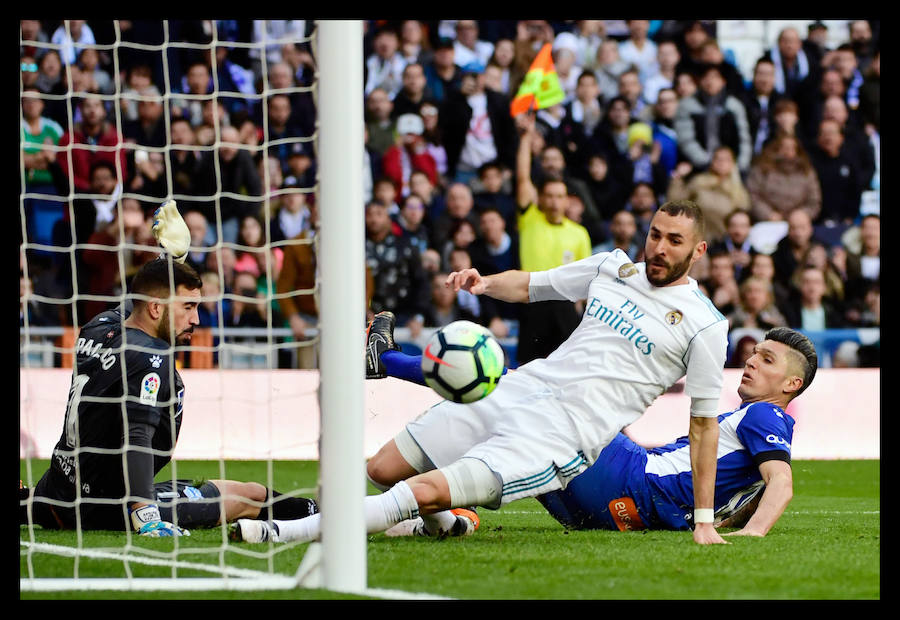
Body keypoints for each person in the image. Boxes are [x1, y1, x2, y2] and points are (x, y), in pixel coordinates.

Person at [230, 198, 732, 546]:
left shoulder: (705, 325)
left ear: (698, 250)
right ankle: (444, 526)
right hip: (519, 389)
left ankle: (283, 533)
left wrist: (705, 520)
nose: (659, 249)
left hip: (564, 435)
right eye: (655, 234)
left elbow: (704, 425)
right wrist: (483, 282)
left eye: (674, 241)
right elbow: (533, 285)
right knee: (382, 470)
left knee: (422, 490)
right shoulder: (612, 267)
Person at [20, 201, 318, 536]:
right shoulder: (152, 356)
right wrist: (144, 513)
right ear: (157, 309)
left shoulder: (98, 326)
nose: (196, 319)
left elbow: (145, 295)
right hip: (109, 507)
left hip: (58, 491)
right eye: (189, 307)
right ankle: (323, 517)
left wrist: (171, 260)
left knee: (242, 489)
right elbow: (137, 438)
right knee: (247, 497)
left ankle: (28, 502)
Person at [383, 327, 816, 537]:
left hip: (626, 482)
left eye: (768, 360)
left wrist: (753, 533)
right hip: (614, 509)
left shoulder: (765, 416)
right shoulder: (755, 421)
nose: (754, 361)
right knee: (509, 431)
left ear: (791, 385)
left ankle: (384, 361)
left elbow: (781, 482)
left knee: (521, 391)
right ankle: (446, 520)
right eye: (756, 352)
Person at [514, 112, 592, 364]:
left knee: (570, 366)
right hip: (532, 301)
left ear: (568, 200)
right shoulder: (530, 218)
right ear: (541, 198)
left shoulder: (579, 233)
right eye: (549, 196)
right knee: (527, 368)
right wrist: (526, 138)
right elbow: (523, 177)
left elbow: (587, 278)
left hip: (564, 304)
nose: (555, 201)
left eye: (560, 196)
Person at [666, 145, 750, 244]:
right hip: (696, 239)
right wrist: (678, 178)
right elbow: (675, 203)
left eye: (726, 159)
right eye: (717, 158)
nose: (721, 162)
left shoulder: (739, 192)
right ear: (712, 162)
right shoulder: (698, 183)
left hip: (724, 244)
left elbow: (743, 222)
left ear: (733, 164)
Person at [746, 134, 821, 224]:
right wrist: (768, 214)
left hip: (799, 223)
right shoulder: (762, 169)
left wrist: (802, 214)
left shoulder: (806, 171)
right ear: (776, 149)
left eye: (792, 148)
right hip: (767, 222)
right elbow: (752, 195)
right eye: (784, 147)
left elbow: (814, 201)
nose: (787, 151)